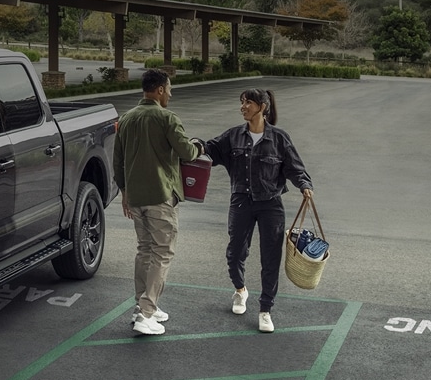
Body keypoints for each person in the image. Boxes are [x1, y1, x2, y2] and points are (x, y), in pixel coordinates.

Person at [204, 88, 314, 333]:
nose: (243, 107)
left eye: (248, 103)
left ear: (262, 107)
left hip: (271, 205)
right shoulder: (233, 136)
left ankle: (265, 309)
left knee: (270, 258)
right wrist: (191, 145)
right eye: (241, 102)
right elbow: (209, 149)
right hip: (241, 202)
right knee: (235, 253)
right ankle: (240, 290)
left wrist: (305, 185)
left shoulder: (279, 138)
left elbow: (295, 168)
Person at [115, 70, 202, 335]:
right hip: (160, 196)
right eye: (170, 89)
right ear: (161, 90)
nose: (171, 94)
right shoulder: (167, 118)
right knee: (162, 253)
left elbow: (118, 161)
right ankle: (146, 312)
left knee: (144, 250)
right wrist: (199, 147)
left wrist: (124, 192)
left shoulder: (126, 119)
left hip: (136, 197)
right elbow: (187, 152)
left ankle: (141, 306)